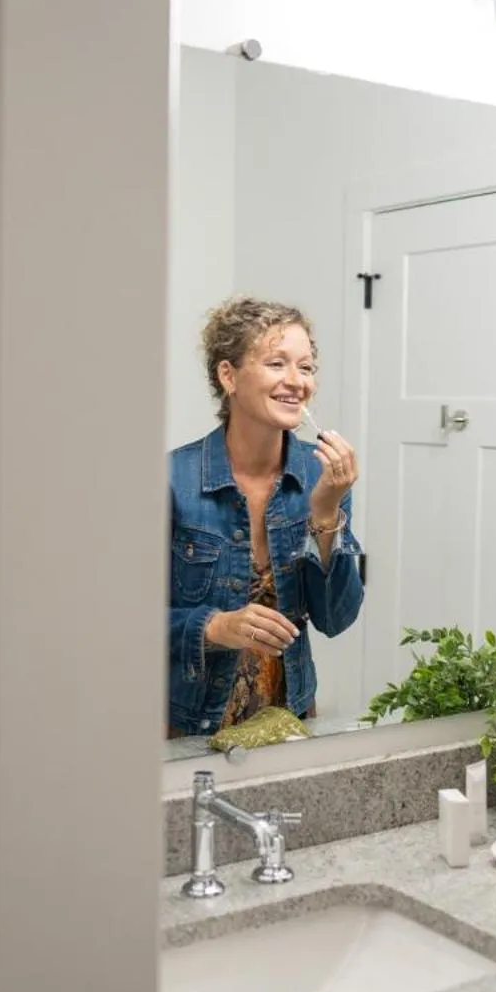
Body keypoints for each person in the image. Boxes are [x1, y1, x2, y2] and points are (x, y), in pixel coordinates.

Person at [167, 298, 365, 739]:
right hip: (187, 726)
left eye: (306, 367)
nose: (297, 381)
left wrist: (326, 512)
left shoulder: (321, 478)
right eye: (277, 363)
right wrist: (215, 626)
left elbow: (335, 618)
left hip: (288, 721)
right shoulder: (171, 481)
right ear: (228, 375)